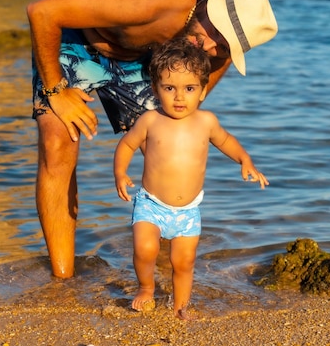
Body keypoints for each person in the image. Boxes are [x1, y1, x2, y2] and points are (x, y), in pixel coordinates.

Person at [27, 0, 278, 279]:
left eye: (226, 46)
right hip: (75, 35)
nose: (212, 47)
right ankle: (62, 280)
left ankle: (160, 265)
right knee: (58, 142)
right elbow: (42, 12)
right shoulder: (149, 0)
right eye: (217, 34)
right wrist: (56, 91)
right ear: (211, 9)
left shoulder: (212, 45)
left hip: (140, 54)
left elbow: (206, 74)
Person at [114, 37, 269, 319]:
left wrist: (245, 160)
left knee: (183, 262)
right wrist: (120, 172)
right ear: (155, 88)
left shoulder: (206, 121)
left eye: (189, 88)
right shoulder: (150, 120)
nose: (179, 97)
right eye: (169, 88)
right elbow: (127, 144)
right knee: (145, 249)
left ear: (202, 90)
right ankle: (146, 288)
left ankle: (180, 306)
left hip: (187, 211)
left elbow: (226, 141)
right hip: (152, 204)